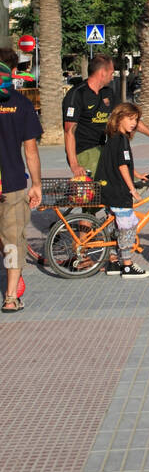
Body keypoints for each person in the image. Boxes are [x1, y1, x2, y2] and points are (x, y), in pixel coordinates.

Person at [64, 52, 149, 177]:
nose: (112, 76)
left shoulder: (108, 92)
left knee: (131, 179)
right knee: (113, 183)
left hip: (104, 148)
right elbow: (69, 131)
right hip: (84, 151)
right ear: (102, 73)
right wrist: (74, 164)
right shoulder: (77, 94)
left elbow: (127, 116)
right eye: (111, 72)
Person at [0, 45, 43, 313]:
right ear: (14, 72)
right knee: (14, 240)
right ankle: (10, 296)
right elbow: (31, 151)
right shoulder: (22, 104)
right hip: (13, 184)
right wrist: (36, 184)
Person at [94, 103, 149, 278]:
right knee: (128, 226)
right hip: (117, 189)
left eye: (135, 120)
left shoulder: (113, 137)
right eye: (130, 119)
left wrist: (137, 174)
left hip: (106, 187)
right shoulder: (121, 139)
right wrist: (132, 189)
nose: (133, 123)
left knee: (114, 224)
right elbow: (121, 166)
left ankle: (113, 262)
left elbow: (120, 163)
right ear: (119, 118)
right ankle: (127, 265)